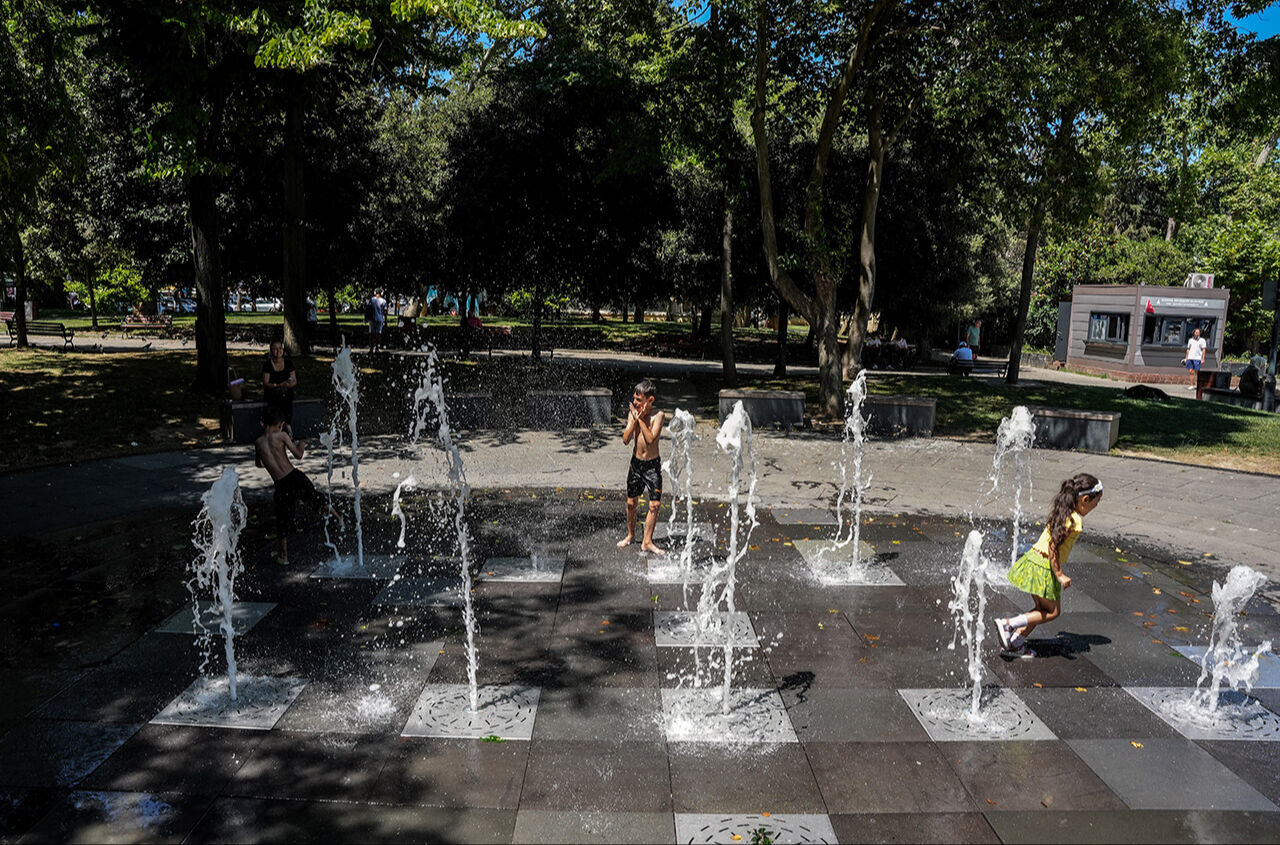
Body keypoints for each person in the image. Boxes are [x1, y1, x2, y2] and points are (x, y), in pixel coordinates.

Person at [995, 473, 1103, 658]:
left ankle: (1016, 643)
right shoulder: (1074, 520)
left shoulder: (1062, 510)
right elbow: (1053, 546)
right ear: (1085, 499)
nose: (1096, 506)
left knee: (1040, 611)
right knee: (1052, 612)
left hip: (1034, 560)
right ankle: (1009, 624)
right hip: (1045, 567)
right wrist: (1059, 574)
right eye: (1095, 503)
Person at [255, 407, 341, 565]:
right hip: (295, 477)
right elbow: (298, 455)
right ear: (280, 424)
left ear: (262, 424)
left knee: (282, 519)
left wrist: (270, 461)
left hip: (280, 485)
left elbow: (259, 464)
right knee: (315, 498)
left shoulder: (258, 442)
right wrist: (302, 444)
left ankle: (284, 556)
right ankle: (339, 519)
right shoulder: (282, 436)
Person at [618, 379, 666, 554]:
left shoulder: (658, 415)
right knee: (631, 502)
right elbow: (625, 440)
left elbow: (651, 439)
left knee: (654, 505)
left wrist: (641, 421)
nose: (635, 403)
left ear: (650, 400)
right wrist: (633, 421)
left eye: (639, 400)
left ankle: (647, 541)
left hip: (652, 466)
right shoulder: (633, 414)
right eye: (634, 399)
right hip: (636, 464)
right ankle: (631, 535)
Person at [261, 340, 297, 429]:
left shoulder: (288, 363)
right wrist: (278, 385)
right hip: (273, 392)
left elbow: (294, 380)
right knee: (279, 398)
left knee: (286, 396)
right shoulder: (268, 364)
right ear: (271, 351)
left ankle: (286, 424)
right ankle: (280, 425)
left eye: (280, 348)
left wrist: (288, 384)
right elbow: (266, 383)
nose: (278, 351)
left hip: (286, 391)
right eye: (275, 349)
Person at [1183, 326, 1207, 390]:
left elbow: (1204, 350)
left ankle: (1198, 384)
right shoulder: (1190, 340)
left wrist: (1203, 359)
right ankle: (1192, 385)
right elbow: (1188, 349)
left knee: (1197, 372)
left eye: (1198, 332)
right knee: (1190, 371)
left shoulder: (1202, 340)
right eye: (1196, 332)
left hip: (1197, 358)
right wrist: (1186, 358)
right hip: (1190, 357)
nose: (1197, 333)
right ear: (1194, 333)